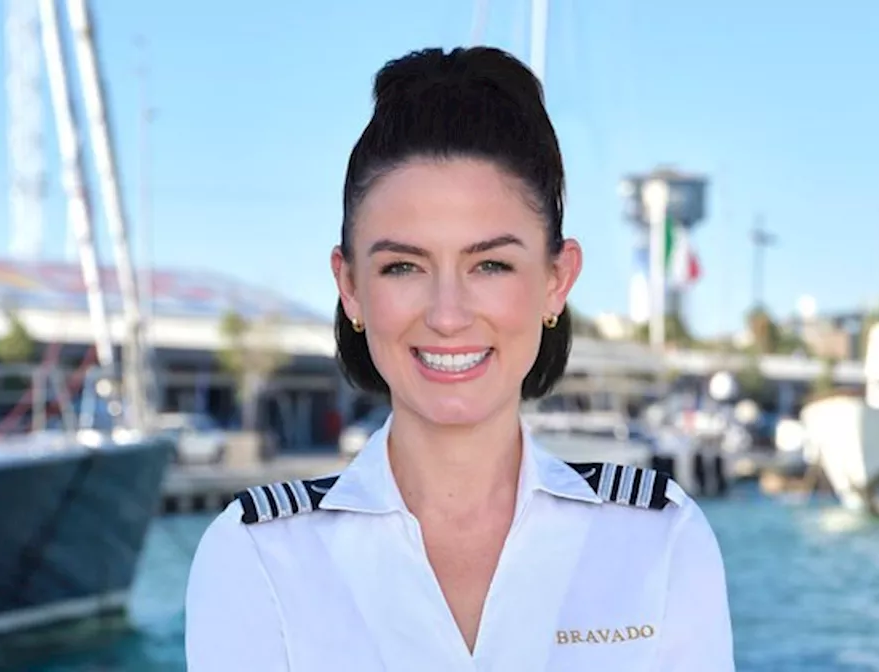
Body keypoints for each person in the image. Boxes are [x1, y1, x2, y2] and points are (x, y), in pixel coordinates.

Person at [185, 46, 735, 671]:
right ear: (351, 287)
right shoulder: (258, 557)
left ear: (556, 281)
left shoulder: (659, 540)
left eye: (491, 264)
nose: (447, 315)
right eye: (403, 267)